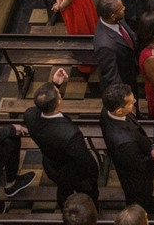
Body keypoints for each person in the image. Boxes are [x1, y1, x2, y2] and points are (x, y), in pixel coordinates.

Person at [23, 69, 101, 209]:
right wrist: (94, 174)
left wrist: (55, 84)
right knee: (88, 195)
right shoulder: (70, 134)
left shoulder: (29, 116)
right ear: (58, 102)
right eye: (59, 94)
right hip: (73, 172)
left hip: (52, 165)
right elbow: (84, 159)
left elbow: (40, 107)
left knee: (64, 190)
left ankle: (63, 204)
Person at [101, 84, 154, 213]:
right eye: (131, 103)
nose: (135, 102)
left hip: (137, 153)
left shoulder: (107, 111)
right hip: (136, 179)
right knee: (142, 201)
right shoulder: (124, 143)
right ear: (119, 111)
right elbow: (140, 165)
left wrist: (150, 147)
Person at [92, 0, 137, 93]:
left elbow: (131, 35)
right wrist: (126, 99)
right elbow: (112, 78)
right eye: (121, 9)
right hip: (123, 84)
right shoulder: (105, 45)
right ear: (113, 16)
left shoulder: (117, 19)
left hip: (130, 73)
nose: (124, 9)